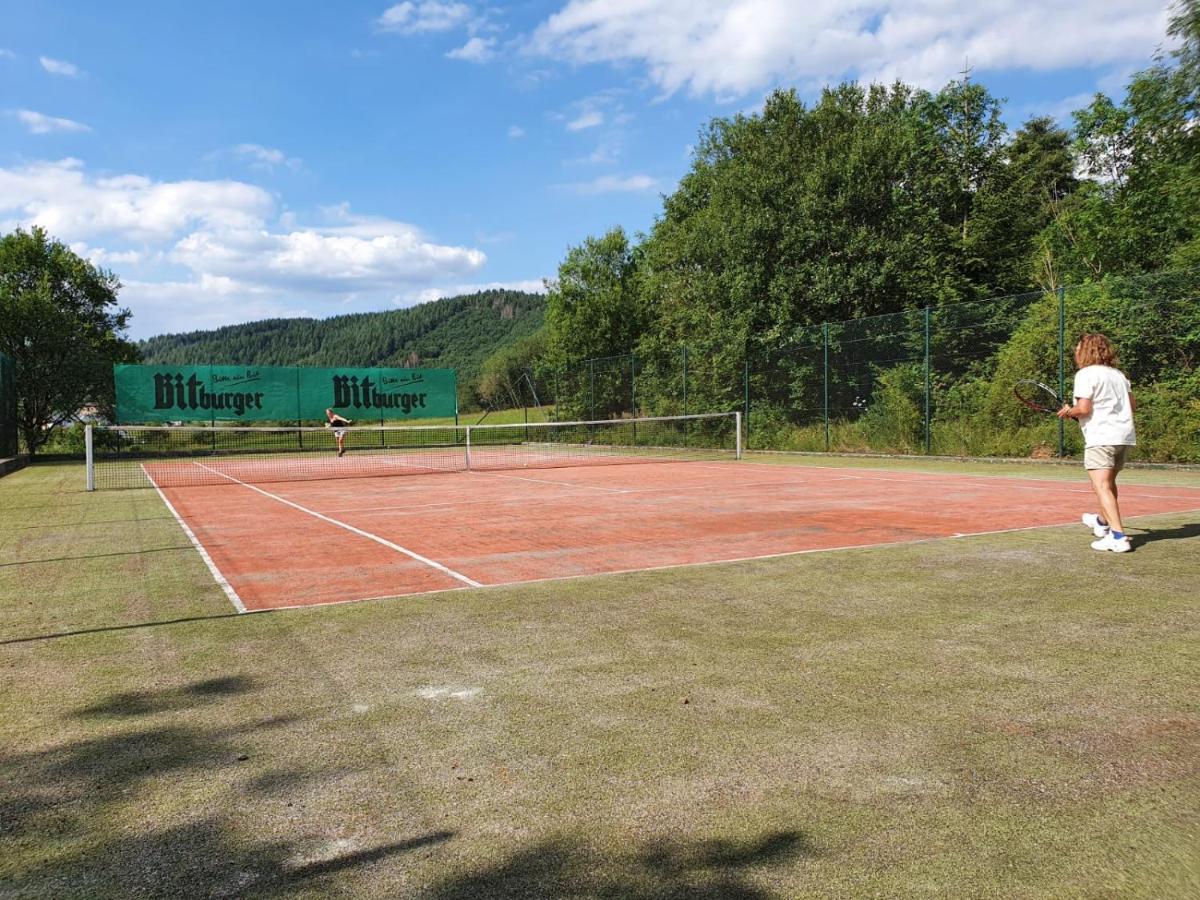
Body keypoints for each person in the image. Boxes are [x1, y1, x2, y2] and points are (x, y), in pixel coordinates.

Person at [1057, 333, 1136, 553]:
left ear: (1087, 351)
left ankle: (1118, 537)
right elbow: (1131, 405)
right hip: (1124, 437)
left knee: (1101, 486)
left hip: (1101, 438)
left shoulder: (1085, 374)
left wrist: (1068, 411)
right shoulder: (1119, 375)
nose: (1075, 351)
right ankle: (1102, 523)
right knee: (1108, 485)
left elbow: (1084, 409)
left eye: (1078, 347)